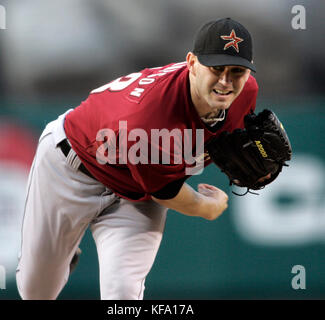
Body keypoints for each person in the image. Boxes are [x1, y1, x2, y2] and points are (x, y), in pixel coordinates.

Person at [16, 17, 263, 300]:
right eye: (216, 69)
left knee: (123, 295)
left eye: (237, 71)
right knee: (36, 293)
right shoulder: (149, 116)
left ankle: (65, 244)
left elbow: (221, 140)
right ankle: (64, 248)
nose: (225, 81)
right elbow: (166, 192)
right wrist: (207, 208)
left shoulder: (247, 93)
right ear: (192, 64)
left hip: (135, 195)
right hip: (71, 167)